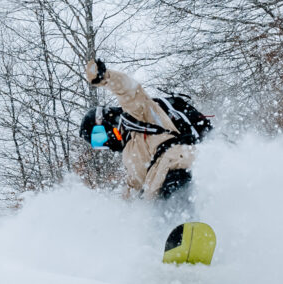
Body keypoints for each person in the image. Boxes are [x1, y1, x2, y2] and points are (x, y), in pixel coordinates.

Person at [79, 57, 196, 203]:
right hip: (158, 190)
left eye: (100, 137)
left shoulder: (138, 115)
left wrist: (105, 77)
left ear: (107, 122)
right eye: (98, 144)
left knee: (173, 195)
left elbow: (130, 91)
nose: (106, 143)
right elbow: (133, 185)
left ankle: (189, 219)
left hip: (175, 168)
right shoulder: (130, 153)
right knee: (156, 215)